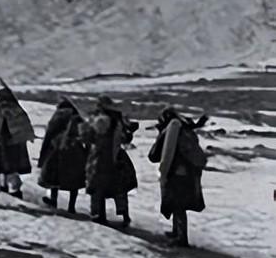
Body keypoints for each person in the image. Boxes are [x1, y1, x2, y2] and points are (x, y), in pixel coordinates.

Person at [148, 108, 208, 247]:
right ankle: (177, 232)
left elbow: (159, 154)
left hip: (176, 172)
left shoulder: (172, 129)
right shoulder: (184, 129)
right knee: (179, 204)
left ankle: (181, 237)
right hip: (188, 172)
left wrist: (164, 172)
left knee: (178, 205)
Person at [81, 96, 139, 228]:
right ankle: (124, 214)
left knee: (97, 186)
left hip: (97, 157)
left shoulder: (94, 119)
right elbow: (125, 138)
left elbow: (88, 138)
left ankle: (98, 214)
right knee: (120, 186)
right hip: (115, 156)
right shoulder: (117, 120)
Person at [38, 99, 88, 213]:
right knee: (74, 180)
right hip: (76, 151)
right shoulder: (78, 118)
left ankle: (53, 200)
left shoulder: (57, 117)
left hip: (57, 149)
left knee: (54, 177)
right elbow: (85, 136)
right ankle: (71, 206)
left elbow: (49, 135)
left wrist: (42, 157)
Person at [0, 86, 35, 198]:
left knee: (1, 168)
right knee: (13, 169)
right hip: (17, 144)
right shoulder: (17, 109)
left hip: (2, 143)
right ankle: (16, 190)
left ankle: (3, 188)